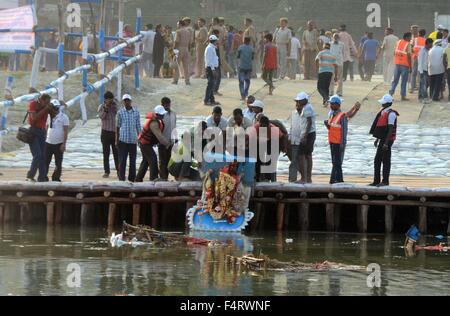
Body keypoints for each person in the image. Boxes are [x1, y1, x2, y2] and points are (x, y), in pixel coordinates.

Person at [324, 95, 361, 184]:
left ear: (337, 105)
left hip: (338, 142)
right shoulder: (332, 114)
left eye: (332, 104)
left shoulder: (341, 116)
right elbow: (332, 127)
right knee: (335, 162)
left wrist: (342, 144)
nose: (330, 105)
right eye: (330, 104)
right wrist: (327, 125)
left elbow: (344, 131)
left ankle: (338, 180)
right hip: (332, 141)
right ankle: (334, 180)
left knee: (337, 162)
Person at [369, 95, 399, 187]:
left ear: (387, 103)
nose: (382, 103)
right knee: (377, 160)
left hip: (387, 140)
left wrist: (386, 143)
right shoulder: (383, 112)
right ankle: (376, 180)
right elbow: (381, 128)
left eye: (383, 102)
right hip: (382, 139)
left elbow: (390, 129)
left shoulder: (391, 114)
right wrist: (377, 139)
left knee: (385, 160)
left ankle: (385, 181)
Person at [135, 105, 171, 182]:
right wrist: (167, 144)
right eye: (162, 114)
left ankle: (138, 179)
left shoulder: (157, 121)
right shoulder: (154, 123)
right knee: (153, 159)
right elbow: (159, 137)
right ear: (157, 115)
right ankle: (153, 178)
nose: (163, 115)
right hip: (144, 144)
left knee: (145, 161)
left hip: (144, 143)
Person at [289, 92, 316, 183]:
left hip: (308, 134)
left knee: (302, 156)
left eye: (299, 101)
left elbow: (309, 123)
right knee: (308, 155)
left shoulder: (307, 108)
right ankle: (308, 178)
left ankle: (304, 178)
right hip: (309, 134)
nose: (298, 103)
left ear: (304, 100)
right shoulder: (306, 107)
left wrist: (304, 136)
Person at [26, 94, 51, 182]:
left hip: (42, 132)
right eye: (46, 102)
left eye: (49, 102)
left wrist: (57, 106)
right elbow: (34, 118)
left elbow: (55, 114)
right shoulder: (33, 104)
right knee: (37, 155)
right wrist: (46, 109)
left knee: (43, 156)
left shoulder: (47, 107)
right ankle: (30, 176)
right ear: (41, 100)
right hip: (33, 131)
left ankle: (42, 177)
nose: (47, 104)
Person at [116, 94, 141, 182]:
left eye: (128, 100)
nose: (126, 102)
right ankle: (121, 178)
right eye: (125, 100)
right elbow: (118, 126)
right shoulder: (120, 112)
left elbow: (138, 126)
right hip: (123, 140)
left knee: (132, 161)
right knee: (122, 161)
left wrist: (140, 139)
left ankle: (131, 178)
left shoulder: (136, 112)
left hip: (133, 141)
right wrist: (116, 140)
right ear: (123, 102)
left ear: (130, 101)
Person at [44, 100, 69, 182]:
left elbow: (65, 131)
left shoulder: (64, 117)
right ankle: (43, 176)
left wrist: (64, 144)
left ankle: (56, 178)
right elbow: (46, 128)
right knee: (46, 161)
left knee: (58, 162)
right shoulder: (48, 116)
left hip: (59, 143)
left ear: (57, 108)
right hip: (48, 142)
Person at [98, 91, 119, 178]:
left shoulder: (114, 106)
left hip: (114, 133)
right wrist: (106, 108)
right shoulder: (101, 106)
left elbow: (118, 113)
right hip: (105, 132)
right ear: (105, 99)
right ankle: (107, 171)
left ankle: (119, 171)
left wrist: (114, 105)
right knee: (106, 153)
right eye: (109, 100)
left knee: (116, 153)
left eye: (111, 99)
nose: (110, 101)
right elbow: (102, 117)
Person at [389, 32, 413, 101]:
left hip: (397, 64)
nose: (411, 39)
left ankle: (390, 94)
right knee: (404, 81)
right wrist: (410, 67)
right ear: (406, 37)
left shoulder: (398, 42)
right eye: (410, 37)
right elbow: (408, 56)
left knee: (395, 80)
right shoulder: (408, 44)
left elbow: (394, 52)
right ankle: (403, 96)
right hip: (405, 65)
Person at [158, 97, 176, 181]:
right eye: (166, 105)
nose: (167, 106)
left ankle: (166, 178)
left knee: (169, 161)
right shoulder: (160, 114)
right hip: (162, 142)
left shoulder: (173, 113)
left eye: (169, 104)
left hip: (171, 142)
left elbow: (174, 127)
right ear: (162, 105)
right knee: (162, 161)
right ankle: (163, 178)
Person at [173, 20, 192, 85]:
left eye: (177, 24)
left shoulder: (178, 31)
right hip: (186, 48)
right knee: (186, 66)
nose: (177, 26)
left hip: (179, 48)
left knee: (177, 65)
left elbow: (176, 41)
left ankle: (175, 80)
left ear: (180, 24)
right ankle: (187, 81)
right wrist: (188, 50)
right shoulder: (188, 31)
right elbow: (190, 42)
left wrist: (174, 49)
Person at [204, 35, 220, 106]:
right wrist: (213, 69)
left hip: (212, 68)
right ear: (215, 41)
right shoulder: (210, 48)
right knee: (210, 85)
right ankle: (206, 100)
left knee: (211, 85)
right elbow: (209, 60)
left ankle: (212, 100)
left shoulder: (212, 47)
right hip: (210, 68)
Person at [410, 29, 427, 93]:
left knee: (414, 73)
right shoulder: (426, 40)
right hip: (422, 59)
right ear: (424, 34)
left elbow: (411, 47)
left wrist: (413, 52)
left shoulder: (415, 39)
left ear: (419, 33)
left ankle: (412, 88)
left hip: (415, 57)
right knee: (421, 73)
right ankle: (421, 88)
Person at [418, 38, 433, 103]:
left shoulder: (429, 50)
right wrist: (421, 72)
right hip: (422, 70)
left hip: (427, 70)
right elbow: (420, 61)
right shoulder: (422, 50)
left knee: (425, 84)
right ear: (427, 43)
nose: (431, 45)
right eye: (431, 44)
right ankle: (424, 98)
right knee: (424, 84)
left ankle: (420, 96)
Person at [445, 35, 450, 102]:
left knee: (449, 82)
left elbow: (444, 60)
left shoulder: (446, 49)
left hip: (449, 68)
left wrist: (445, 68)